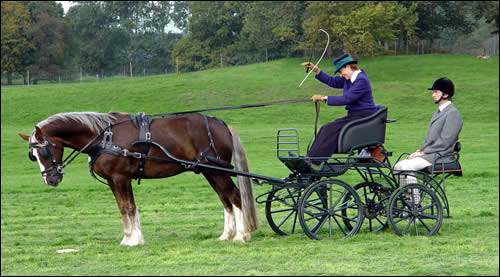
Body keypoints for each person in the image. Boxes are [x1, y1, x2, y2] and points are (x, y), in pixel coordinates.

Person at [300, 53, 377, 168]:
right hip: (354, 115)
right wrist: (316, 70)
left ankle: (313, 160)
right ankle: (311, 158)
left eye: (341, 71)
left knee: (329, 129)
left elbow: (347, 98)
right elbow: (332, 81)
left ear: (348, 66)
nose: (341, 75)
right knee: (326, 128)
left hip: (363, 116)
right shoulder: (349, 78)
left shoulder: (361, 80)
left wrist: (323, 98)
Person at [394, 77, 463, 190]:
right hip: (431, 154)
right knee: (398, 166)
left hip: (442, 155)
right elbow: (431, 139)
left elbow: (445, 142)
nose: (433, 95)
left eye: (436, 92)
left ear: (445, 95)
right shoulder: (438, 112)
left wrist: (423, 152)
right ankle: (405, 200)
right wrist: (419, 150)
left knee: (406, 166)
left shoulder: (453, 114)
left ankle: (414, 204)